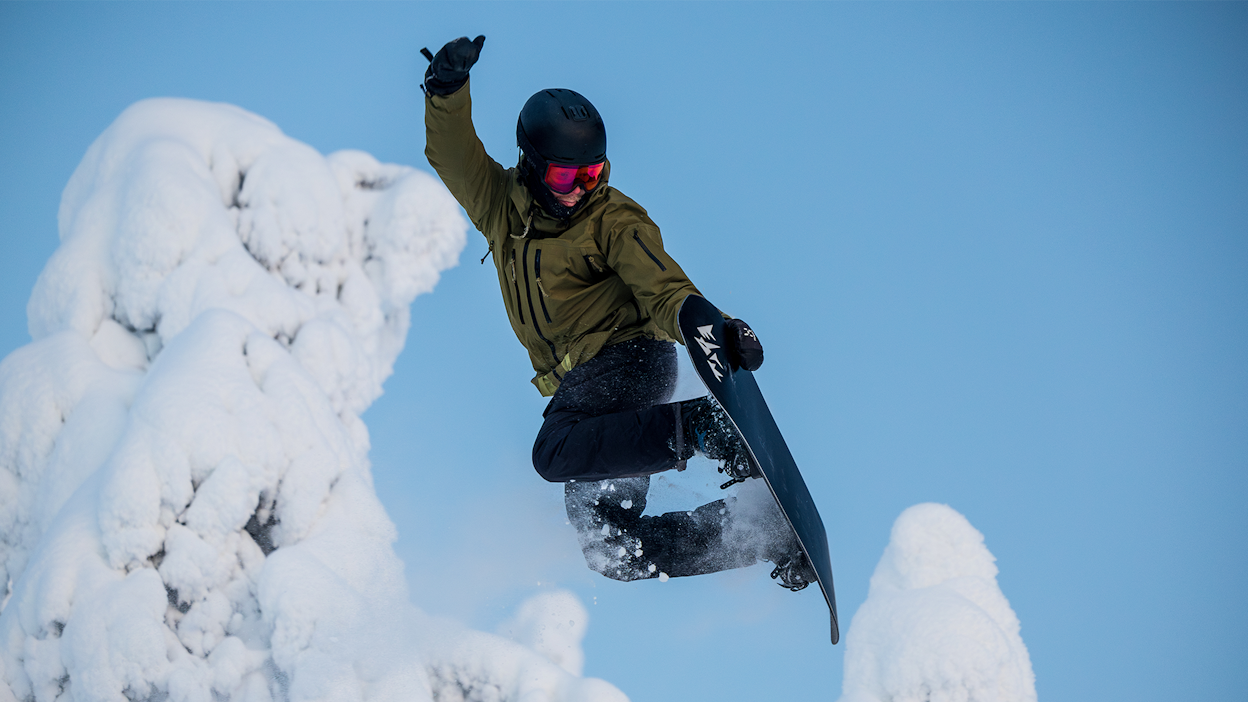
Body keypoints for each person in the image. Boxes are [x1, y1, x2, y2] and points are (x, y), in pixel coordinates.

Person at [421, 35, 813, 589]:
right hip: (587, 390)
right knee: (614, 552)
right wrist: (446, 90)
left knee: (553, 450)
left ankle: (700, 426)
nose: (582, 189)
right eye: (566, 176)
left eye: (593, 173)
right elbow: (453, 156)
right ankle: (761, 533)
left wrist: (717, 329)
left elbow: (663, 288)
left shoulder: (613, 219)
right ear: (532, 166)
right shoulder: (500, 207)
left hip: (627, 365)